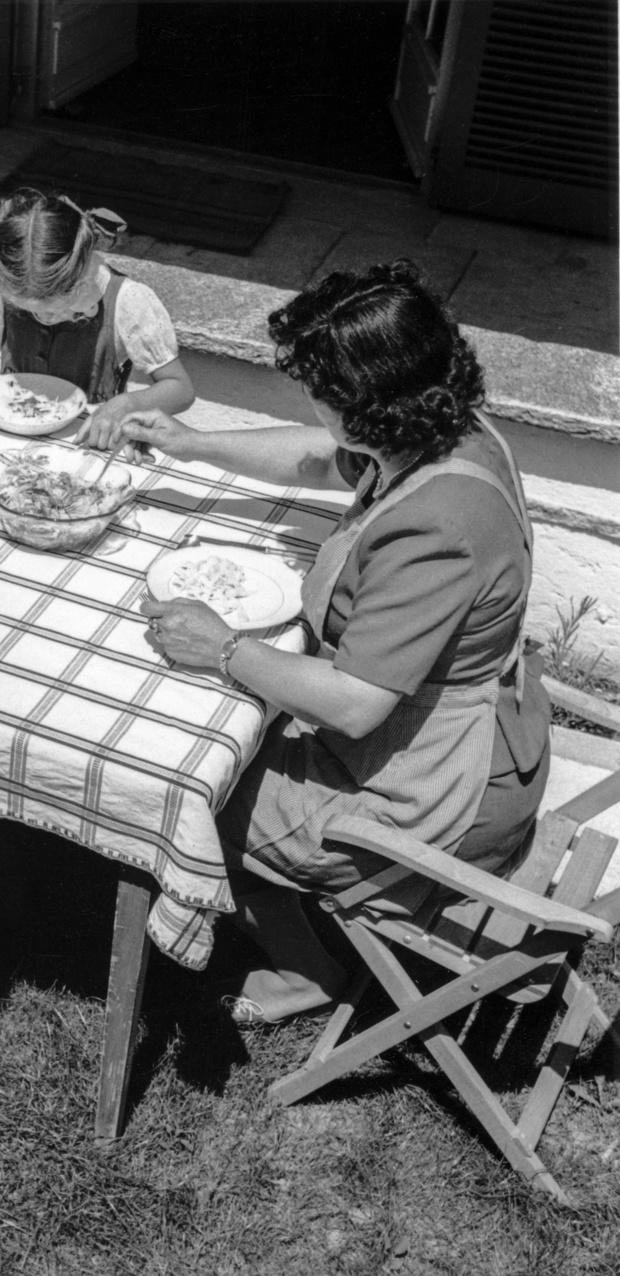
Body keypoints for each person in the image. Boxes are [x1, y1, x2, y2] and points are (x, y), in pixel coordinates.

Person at [84, 259, 551, 1026]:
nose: (312, 406)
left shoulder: (441, 524)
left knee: (188, 790)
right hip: (458, 726)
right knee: (216, 743)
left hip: (439, 787)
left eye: (322, 396)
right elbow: (313, 455)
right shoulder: (446, 428)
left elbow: (358, 704)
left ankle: (308, 967)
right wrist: (191, 442)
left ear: (372, 408)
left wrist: (224, 647)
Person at [0, 188, 195, 435]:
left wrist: (127, 405)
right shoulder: (1, 287)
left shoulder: (126, 301)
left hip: (88, 438)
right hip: (15, 429)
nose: (43, 319)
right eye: (27, 310)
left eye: (56, 310)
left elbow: (179, 389)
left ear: (80, 279)